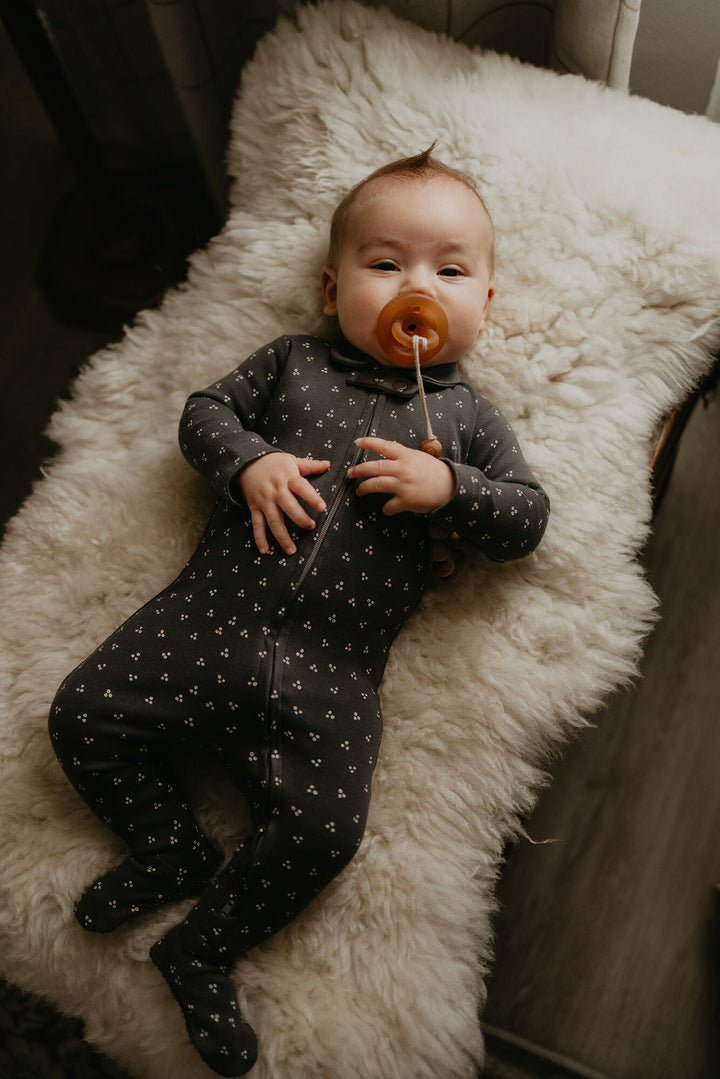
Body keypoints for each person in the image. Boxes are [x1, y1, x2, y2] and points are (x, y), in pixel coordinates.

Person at [48, 148, 549, 1076]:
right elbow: (203, 411)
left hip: (332, 666)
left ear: (487, 302)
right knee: (81, 714)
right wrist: (248, 461)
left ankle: (199, 945)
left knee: (327, 830)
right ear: (331, 287)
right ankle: (169, 845)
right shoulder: (292, 364)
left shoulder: (470, 424)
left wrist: (452, 490)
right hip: (206, 619)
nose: (417, 287)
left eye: (449, 269)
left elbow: (528, 521)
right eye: (385, 262)